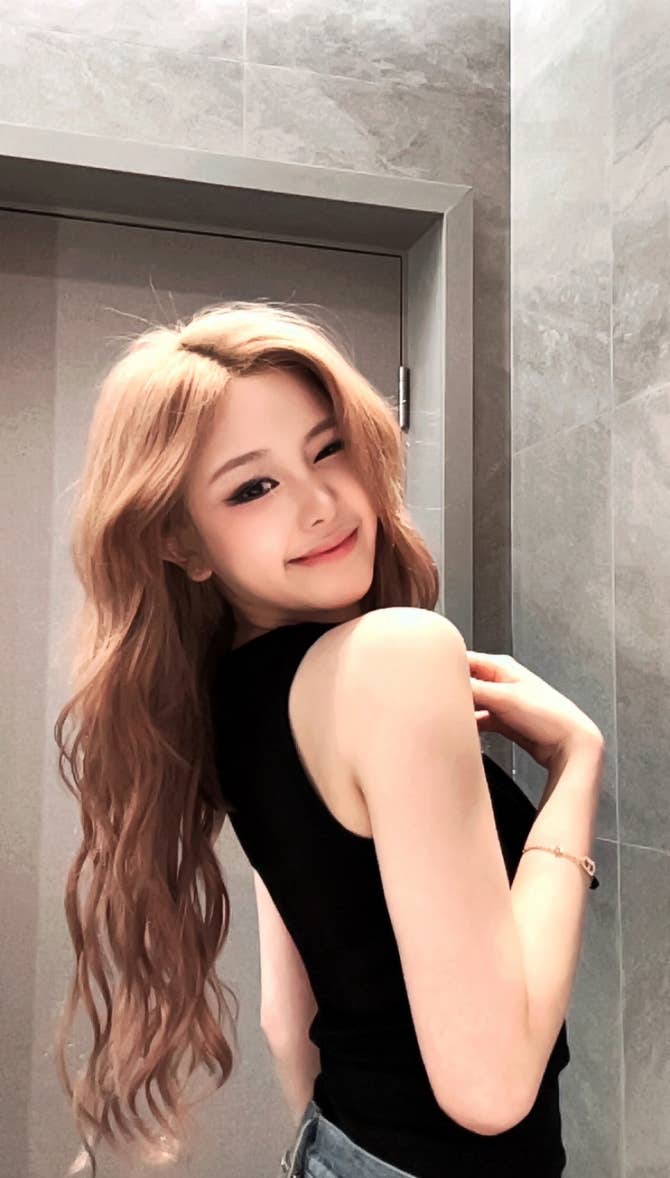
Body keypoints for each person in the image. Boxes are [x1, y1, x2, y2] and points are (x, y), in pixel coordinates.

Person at [52, 300, 603, 1178]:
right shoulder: (394, 656)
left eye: (328, 449)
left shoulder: (229, 702)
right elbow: (493, 1088)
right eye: (253, 488)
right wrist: (576, 766)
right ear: (183, 543)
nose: (320, 505)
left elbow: (288, 1019)